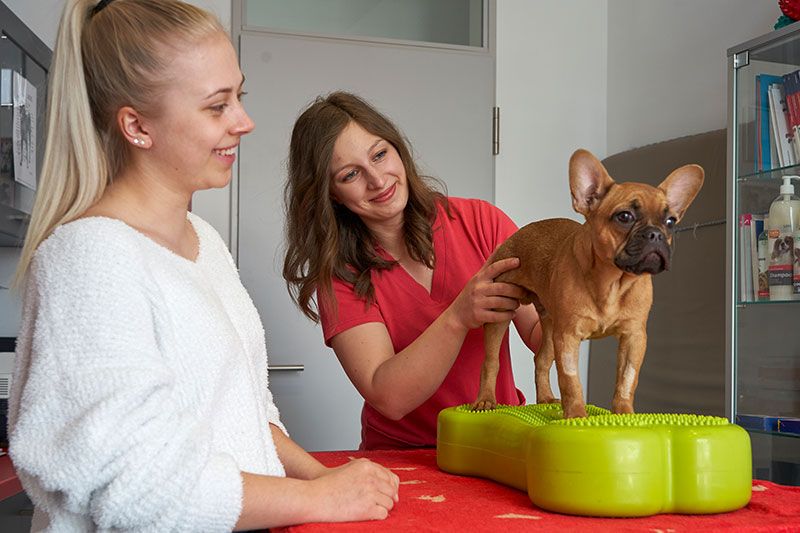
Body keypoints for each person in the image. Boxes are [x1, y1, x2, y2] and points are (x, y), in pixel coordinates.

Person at [8, 2, 398, 531]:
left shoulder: (203, 242)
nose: (244, 121)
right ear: (137, 125)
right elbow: (137, 485)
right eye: (217, 107)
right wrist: (320, 500)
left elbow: (246, 415)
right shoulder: (89, 260)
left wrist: (325, 477)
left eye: (241, 96)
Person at [283, 91, 542, 450]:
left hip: (497, 444)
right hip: (406, 461)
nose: (377, 180)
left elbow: (539, 332)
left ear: (397, 149)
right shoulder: (339, 276)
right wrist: (458, 316)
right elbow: (388, 396)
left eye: (379, 154)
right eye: (350, 174)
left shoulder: (482, 223)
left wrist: (588, 294)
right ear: (331, 195)